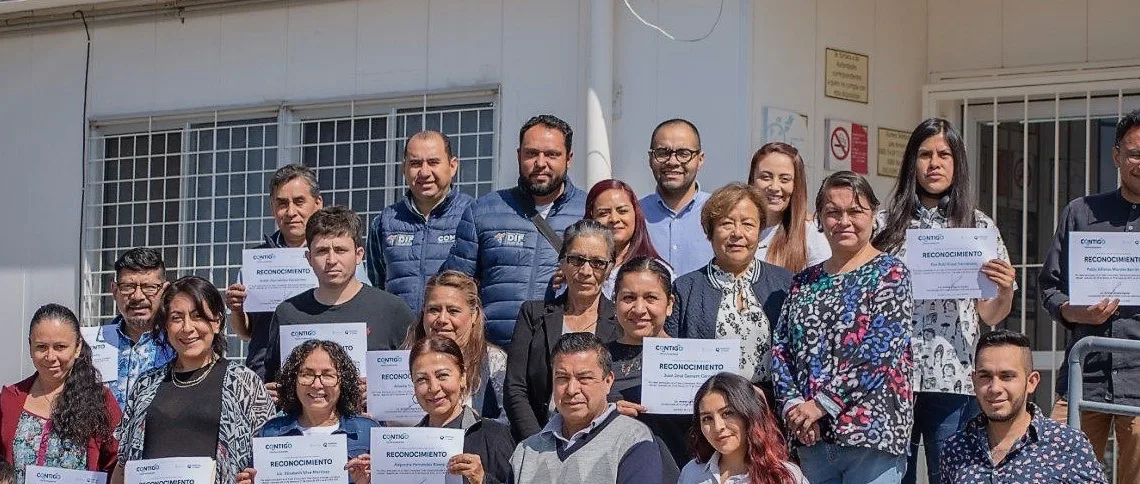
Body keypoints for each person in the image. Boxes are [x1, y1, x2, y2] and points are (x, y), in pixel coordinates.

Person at [870, 118, 1017, 484]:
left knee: (951, 476)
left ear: (957, 163)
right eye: (924, 155)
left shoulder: (978, 227)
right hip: (890, 379)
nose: (934, 163)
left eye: (944, 155)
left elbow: (990, 313)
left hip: (951, 377)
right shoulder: (883, 226)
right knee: (891, 477)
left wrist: (1005, 289)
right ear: (911, 163)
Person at [772, 171, 914, 483]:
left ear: (874, 216)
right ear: (820, 219)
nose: (844, 220)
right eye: (833, 212)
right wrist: (796, 408)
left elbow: (880, 352)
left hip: (870, 436)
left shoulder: (890, 273)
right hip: (813, 438)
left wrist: (821, 405)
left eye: (855, 211)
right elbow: (781, 350)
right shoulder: (804, 281)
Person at [1040, 108, 1140, 482]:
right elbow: (1048, 286)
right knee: (1060, 473)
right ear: (1116, 155)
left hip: (1139, 380)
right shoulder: (1081, 213)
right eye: (1134, 153)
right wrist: (1073, 310)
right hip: (1086, 375)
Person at [112, 276, 276, 484]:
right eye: (176, 318)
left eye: (198, 316)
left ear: (217, 322)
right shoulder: (145, 385)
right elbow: (123, 463)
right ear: (165, 326)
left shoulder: (244, 383)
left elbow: (270, 457)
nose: (187, 328)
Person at [441, 114, 587, 347]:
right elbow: (454, 287)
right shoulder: (483, 211)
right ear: (519, 155)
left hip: (565, 355)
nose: (540, 163)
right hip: (495, 353)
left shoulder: (590, 212)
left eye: (552, 154)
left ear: (568, 158)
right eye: (531, 154)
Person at [664, 183, 794, 397]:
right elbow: (672, 357)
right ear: (710, 231)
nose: (737, 233)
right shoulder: (686, 288)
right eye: (726, 224)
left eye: (748, 224)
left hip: (770, 410)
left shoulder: (785, 283)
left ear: (760, 231)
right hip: (709, 412)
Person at [263, 206, 416, 383]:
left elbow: (413, 377)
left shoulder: (392, 310)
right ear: (309, 258)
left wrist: (378, 390)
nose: (331, 260)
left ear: (358, 255)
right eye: (322, 251)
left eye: (340, 250)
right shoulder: (288, 313)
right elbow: (274, 379)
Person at [504, 219, 622, 440]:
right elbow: (515, 389)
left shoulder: (620, 322)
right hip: (537, 439)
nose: (586, 271)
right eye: (577, 260)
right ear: (563, 262)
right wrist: (538, 443)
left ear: (610, 267)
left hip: (600, 443)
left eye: (597, 262)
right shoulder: (533, 315)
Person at [938, 330, 1107, 483]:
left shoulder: (1067, 444)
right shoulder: (956, 447)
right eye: (985, 376)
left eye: (1007, 376)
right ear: (974, 381)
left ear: (1031, 382)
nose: (995, 388)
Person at [509, 332, 665, 484]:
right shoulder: (526, 451)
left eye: (584, 378)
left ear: (608, 381)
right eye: (562, 378)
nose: (571, 389)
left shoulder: (632, 440)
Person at [1, 304, 121, 483]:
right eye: (41, 347)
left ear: (77, 347)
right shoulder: (10, 399)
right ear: (30, 346)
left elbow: (117, 463)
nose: (50, 357)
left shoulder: (101, 401)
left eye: (60, 347)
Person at [226, 164, 324, 380]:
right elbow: (246, 332)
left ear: (317, 204)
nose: (291, 212)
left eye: (299, 202)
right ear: (272, 207)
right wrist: (236, 309)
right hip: (268, 380)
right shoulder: (257, 263)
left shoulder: (336, 256)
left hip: (321, 376)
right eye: (282, 204)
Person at [236, 340, 378, 484]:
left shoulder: (368, 431)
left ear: (343, 382)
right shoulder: (271, 432)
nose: (317, 384)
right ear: (293, 380)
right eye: (307, 375)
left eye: (328, 375)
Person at [366, 131, 474, 315]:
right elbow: (378, 285)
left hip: (454, 338)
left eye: (433, 162)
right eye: (415, 163)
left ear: (453, 165)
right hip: (402, 338)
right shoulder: (384, 222)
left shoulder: (473, 216)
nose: (424, 172)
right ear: (404, 168)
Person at [604, 256, 692, 466]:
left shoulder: (692, 356)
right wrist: (604, 413)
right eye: (629, 298)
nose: (639, 309)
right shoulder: (597, 360)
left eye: (651, 298)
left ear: (669, 304)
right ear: (615, 302)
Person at [405, 336, 515, 484]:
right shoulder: (406, 444)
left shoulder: (494, 436)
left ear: (462, 377)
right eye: (421, 379)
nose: (434, 388)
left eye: (442, 375)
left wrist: (483, 480)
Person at [403, 271, 507, 421]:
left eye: (453, 311)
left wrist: (480, 426)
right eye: (434, 310)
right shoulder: (404, 358)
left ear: (474, 315)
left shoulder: (494, 361)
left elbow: (509, 421)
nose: (442, 319)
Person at [678, 372, 807, 484]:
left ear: (749, 415)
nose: (718, 427)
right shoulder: (691, 473)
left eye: (727, 413)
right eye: (707, 418)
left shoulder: (783, 476)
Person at [97, 248, 176, 409]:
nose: (138, 296)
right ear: (114, 290)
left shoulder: (179, 343)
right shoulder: (95, 343)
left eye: (149, 287)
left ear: (164, 291)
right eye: (128, 286)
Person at [640, 118, 714, 277]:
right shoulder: (634, 214)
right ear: (650, 158)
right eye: (662, 153)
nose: (672, 161)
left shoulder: (719, 212)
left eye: (683, 153)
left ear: (700, 159)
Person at [747, 142, 830, 272]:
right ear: (752, 180)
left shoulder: (811, 233)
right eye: (765, 177)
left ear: (797, 184)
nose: (774, 187)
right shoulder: (738, 229)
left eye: (784, 179)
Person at [585, 178, 668, 298]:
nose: (614, 219)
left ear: (636, 214)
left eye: (622, 211)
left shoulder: (657, 272)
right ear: (591, 218)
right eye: (603, 213)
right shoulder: (579, 270)